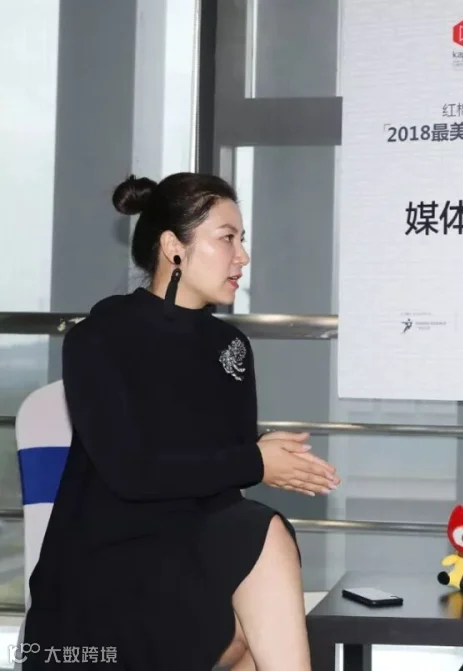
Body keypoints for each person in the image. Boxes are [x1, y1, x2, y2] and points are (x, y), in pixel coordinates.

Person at [22, 173, 340, 670]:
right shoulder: (100, 338)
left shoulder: (230, 347)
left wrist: (262, 452)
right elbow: (132, 472)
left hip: (185, 560)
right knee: (263, 542)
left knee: (261, 592)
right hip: (101, 580)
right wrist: (255, 461)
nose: (242, 256)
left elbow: (221, 474)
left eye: (242, 239)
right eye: (227, 238)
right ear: (173, 247)